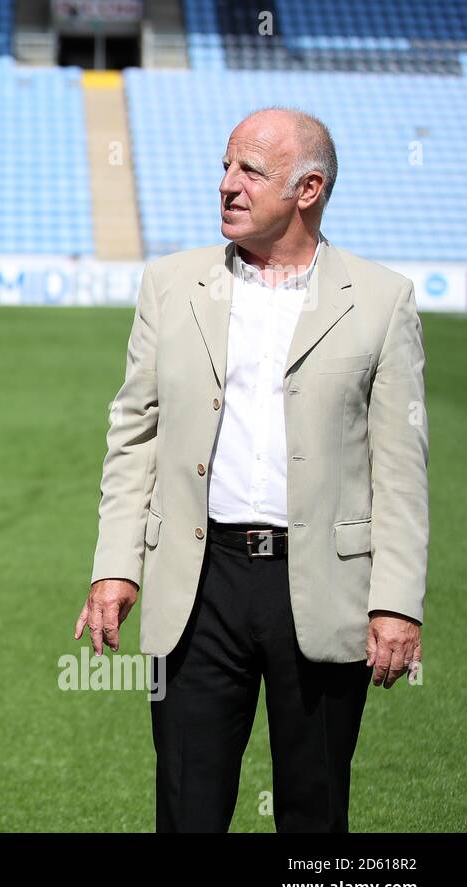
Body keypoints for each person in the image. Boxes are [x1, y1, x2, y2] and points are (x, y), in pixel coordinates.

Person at [77, 107, 428, 833]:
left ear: (309, 189)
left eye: (249, 172)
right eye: (226, 166)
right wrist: (115, 566)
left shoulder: (382, 300)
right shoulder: (171, 283)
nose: (225, 185)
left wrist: (396, 600)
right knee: (187, 807)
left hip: (325, 584)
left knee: (315, 810)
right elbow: (133, 431)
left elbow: (399, 466)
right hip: (198, 583)